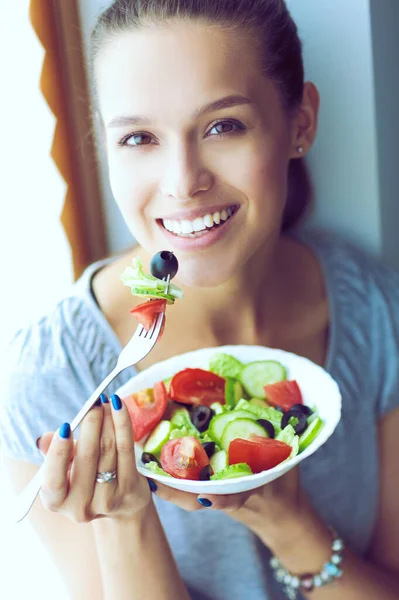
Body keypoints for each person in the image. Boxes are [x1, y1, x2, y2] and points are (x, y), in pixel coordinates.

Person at [1, 0, 399, 598]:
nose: (183, 180)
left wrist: (287, 520)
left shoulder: (374, 309)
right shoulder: (52, 376)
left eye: (223, 126)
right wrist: (125, 519)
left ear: (300, 124)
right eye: (139, 137)